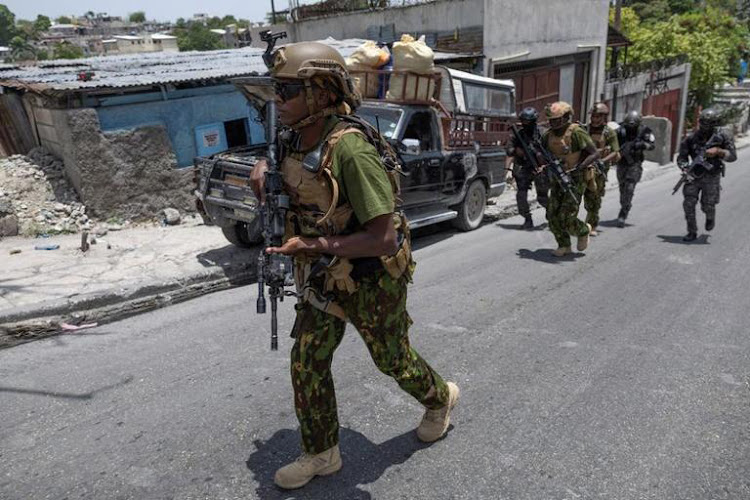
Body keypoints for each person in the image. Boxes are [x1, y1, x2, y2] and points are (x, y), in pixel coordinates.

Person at [249, 41, 459, 490]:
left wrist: (310, 243)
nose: (277, 101)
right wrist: (263, 180)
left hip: (370, 275)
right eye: (276, 90)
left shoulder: (351, 150)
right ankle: (322, 452)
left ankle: (440, 398)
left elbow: (381, 237)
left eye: (287, 90)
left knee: (392, 361)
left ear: (321, 94)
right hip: (323, 272)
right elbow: (292, 194)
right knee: (307, 360)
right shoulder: (289, 141)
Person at [541, 101, 600, 257]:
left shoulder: (576, 133)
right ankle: (564, 245)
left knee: (566, 216)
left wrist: (580, 166)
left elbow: (594, 153)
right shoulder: (548, 135)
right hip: (557, 179)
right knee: (552, 215)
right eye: (551, 120)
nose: (553, 123)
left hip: (575, 179)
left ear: (566, 117)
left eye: (556, 119)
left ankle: (583, 230)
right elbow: (540, 153)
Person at [676, 107, 736, 242]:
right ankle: (692, 231)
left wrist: (719, 151)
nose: (704, 126)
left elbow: (733, 156)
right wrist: (685, 169)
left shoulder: (722, 137)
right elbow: (681, 158)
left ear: (715, 123)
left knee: (707, 205)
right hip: (693, 175)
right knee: (688, 204)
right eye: (702, 122)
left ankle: (710, 216)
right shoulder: (690, 138)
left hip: (712, 176)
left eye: (708, 123)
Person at [505, 107, 550, 229]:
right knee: (521, 196)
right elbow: (508, 149)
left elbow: (551, 150)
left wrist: (540, 156)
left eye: (527, 122)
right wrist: (516, 151)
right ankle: (527, 219)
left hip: (540, 168)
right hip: (524, 167)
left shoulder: (543, 133)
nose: (525, 124)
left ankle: (551, 215)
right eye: (523, 121)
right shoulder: (518, 134)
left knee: (542, 197)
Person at [584, 102, 620, 236]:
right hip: (584, 167)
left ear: (604, 117)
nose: (595, 119)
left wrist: (602, 161)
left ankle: (592, 225)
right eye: (593, 116)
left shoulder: (608, 132)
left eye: (598, 117)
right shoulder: (585, 129)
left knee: (595, 198)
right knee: (584, 197)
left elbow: (615, 151)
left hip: (599, 171)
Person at [615, 110, 655, 227]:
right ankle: (625, 205)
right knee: (622, 189)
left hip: (635, 163)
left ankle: (623, 212)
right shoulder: (620, 129)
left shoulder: (645, 131)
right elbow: (612, 141)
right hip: (622, 163)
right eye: (629, 124)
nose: (631, 127)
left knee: (630, 187)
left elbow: (652, 145)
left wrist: (642, 145)